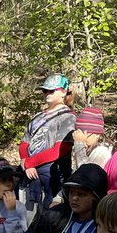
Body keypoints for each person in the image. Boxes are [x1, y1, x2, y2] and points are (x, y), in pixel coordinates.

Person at [20, 75, 76, 207]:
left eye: (51, 90)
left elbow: (59, 150)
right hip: (28, 173)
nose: (47, 94)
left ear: (63, 91)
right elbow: (24, 143)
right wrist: (24, 160)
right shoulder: (37, 117)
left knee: (48, 217)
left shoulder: (68, 118)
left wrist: (29, 162)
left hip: (52, 176)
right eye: (44, 91)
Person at [71, 106, 113, 171]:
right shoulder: (88, 148)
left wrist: (79, 144)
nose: (80, 137)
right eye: (77, 133)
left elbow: (86, 171)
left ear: (97, 135)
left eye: (84, 134)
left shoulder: (102, 151)